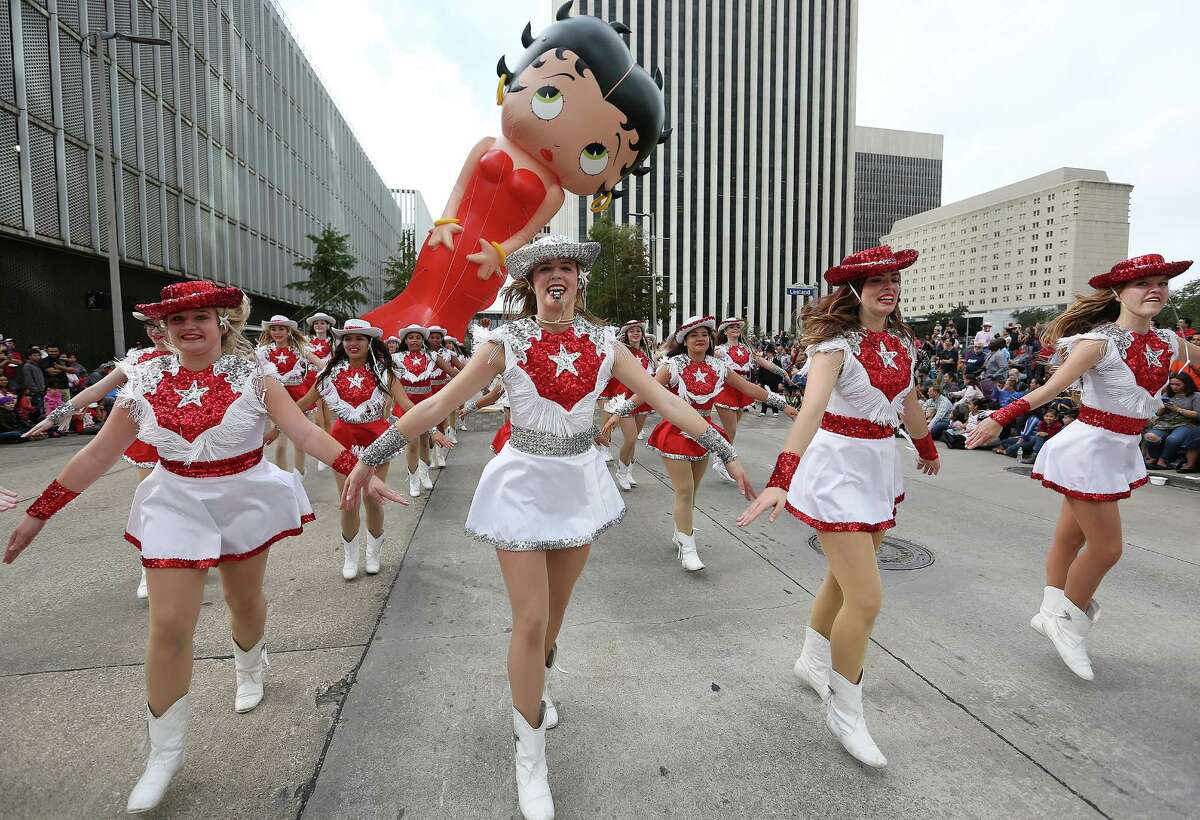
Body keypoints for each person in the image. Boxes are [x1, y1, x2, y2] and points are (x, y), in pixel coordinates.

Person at [341, 235, 752, 820]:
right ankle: (529, 756)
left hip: (579, 484)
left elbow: (663, 399)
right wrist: (369, 454)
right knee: (529, 620)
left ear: (578, 281)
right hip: (522, 484)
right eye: (545, 270)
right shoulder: (501, 342)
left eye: (567, 269)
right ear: (529, 282)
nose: (557, 277)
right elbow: (436, 406)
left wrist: (723, 448)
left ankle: (539, 680)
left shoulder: (607, 343)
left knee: (554, 618)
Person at [4, 280, 403, 813]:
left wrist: (357, 467)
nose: (189, 327)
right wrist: (39, 514)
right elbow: (98, 455)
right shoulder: (143, 379)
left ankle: (250, 666)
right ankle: (163, 755)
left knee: (244, 601)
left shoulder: (255, 376)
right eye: (177, 320)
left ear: (223, 324)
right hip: (175, 499)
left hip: (243, 495)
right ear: (165, 330)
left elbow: (303, 433)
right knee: (168, 625)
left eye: (201, 318)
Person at [737, 245, 939, 769]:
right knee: (867, 600)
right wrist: (782, 477)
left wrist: (925, 445)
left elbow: (909, 400)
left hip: (877, 464)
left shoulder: (901, 343)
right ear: (854, 290)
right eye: (875, 281)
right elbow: (811, 410)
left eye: (892, 279)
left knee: (842, 580)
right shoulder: (835, 346)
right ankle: (846, 709)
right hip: (836, 468)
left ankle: (811, 659)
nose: (886, 287)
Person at [968, 253, 1199, 681]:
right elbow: (1050, 388)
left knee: (1070, 535)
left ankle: (1050, 610)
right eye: (1141, 284)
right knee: (1108, 549)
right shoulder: (1098, 342)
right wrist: (998, 417)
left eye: (1162, 283)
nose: (1154, 290)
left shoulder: (1169, 341)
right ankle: (1068, 622)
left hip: (1118, 449)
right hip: (1089, 448)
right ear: (1118, 293)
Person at [603, 316, 794, 571]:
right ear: (685, 340)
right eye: (694, 335)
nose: (700, 338)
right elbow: (645, 391)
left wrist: (785, 406)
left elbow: (749, 388)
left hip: (705, 431)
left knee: (693, 491)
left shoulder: (718, 366)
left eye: (705, 334)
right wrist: (620, 411)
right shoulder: (672, 366)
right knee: (684, 490)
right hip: (675, 431)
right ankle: (688, 547)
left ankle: (680, 531)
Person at [24, 312, 173, 599]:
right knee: (152, 502)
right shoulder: (137, 359)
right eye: (150, 326)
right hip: (150, 438)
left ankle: (191, 553)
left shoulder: (196, 355)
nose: (156, 331)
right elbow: (95, 390)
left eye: (162, 325)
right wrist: (55, 417)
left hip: (195, 441)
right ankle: (149, 567)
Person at [294, 319, 446, 580]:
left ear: (370, 343)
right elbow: (304, 403)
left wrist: (432, 430)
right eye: (349, 339)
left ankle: (373, 553)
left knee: (373, 499)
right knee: (348, 500)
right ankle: (350, 556)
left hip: (376, 440)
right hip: (341, 441)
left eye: (360, 339)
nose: (353, 344)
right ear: (342, 343)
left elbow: (408, 405)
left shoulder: (385, 373)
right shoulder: (329, 374)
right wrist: (269, 419)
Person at [711, 317, 789, 481]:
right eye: (731, 327)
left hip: (743, 388)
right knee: (730, 429)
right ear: (725, 331)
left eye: (737, 327)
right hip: (726, 389)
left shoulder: (746, 349)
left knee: (732, 429)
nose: (735, 329)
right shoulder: (719, 350)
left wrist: (782, 372)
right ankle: (721, 460)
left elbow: (761, 361)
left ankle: (719, 452)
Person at [256, 316, 325, 475]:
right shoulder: (264, 351)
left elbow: (322, 365)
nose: (277, 332)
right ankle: (283, 478)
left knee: (298, 441)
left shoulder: (299, 349)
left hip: (298, 399)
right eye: (273, 329)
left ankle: (299, 473)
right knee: (280, 446)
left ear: (288, 331)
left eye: (281, 329)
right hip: (277, 399)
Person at [392, 325, 455, 497]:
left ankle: (424, 473)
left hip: (426, 404)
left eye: (418, 337)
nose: (414, 340)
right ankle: (413, 480)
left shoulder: (432, 356)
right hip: (406, 405)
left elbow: (452, 371)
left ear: (422, 340)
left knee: (425, 441)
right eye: (410, 337)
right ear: (405, 340)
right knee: (411, 444)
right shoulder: (396, 358)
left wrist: (477, 376)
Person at [597, 319, 656, 490]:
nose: (636, 333)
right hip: (623, 400)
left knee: (634, 440)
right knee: (630, 438)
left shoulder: (647, 355)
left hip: (642, 400)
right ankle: (621, 472)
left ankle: (629, 470)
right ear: (626, 335)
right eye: (632, 331)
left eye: (638, 331)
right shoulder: (620, 352)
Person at [1143, 372, 1200, 468]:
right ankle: (1153, 458)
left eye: (1178, 385)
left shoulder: (1195, 395)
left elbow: (1198, 414)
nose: (1174, 387)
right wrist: (1163, 407)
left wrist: (1178, 409)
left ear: (1186, 384)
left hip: (1185, 423)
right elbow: (1158, 413)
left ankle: (1163, 460)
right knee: (1150, 436)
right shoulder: (1167, 394)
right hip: (1165, 423)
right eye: (1172, 384)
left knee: (1173, 439)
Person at [305, 313, 338, 471]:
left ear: (327, 326)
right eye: (316, 323)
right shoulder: (306, 341)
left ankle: (329, 452)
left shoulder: (333, 342)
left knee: (327, 419)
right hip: (311, 380)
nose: (319, 325)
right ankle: (323, 454)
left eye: (322, 323)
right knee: (318, 419)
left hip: (327, 380)